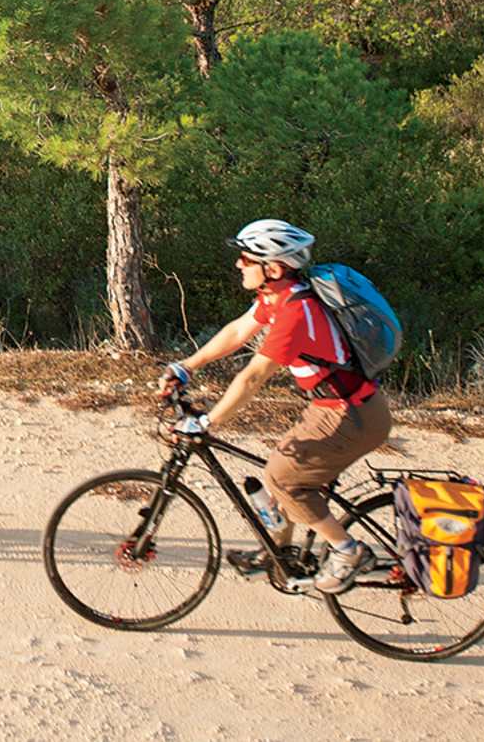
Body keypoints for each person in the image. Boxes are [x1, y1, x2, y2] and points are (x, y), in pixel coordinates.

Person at [157, 218, 392, 595]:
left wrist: (208, 421)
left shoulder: (296, 313)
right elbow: (237, 331)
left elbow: (253, 377)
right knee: (276, 473)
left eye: (246, 258)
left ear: (274, 268)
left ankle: (349, 552)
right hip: (332, 408)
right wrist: (186, 367)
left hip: (353, 415)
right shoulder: (278, 296)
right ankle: (279, 553)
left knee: (284, 480)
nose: (239, 264)